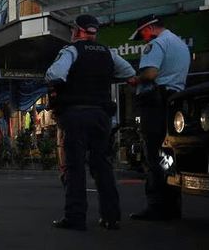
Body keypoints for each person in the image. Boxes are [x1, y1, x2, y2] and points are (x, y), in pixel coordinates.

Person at [45, 14, 135, 231]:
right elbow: (130, 73)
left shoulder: (72, 50)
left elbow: (54, 75)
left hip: (75, 115)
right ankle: (111, 217)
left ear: (77, 31)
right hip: (101, 117)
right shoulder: (108, 53)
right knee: (103, 166)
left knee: (75, 167)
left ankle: (75, 217)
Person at [127, 14, 190, 221]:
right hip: (175, 102)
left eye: (143, 34)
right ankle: (173, 206)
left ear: (150, 28)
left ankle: (155, 206)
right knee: (169, 155)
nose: (144, 39)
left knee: (153, 154)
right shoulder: (179, 44)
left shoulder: (156, 44)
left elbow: (151, 74)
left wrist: (136, 79)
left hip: (155, 102)